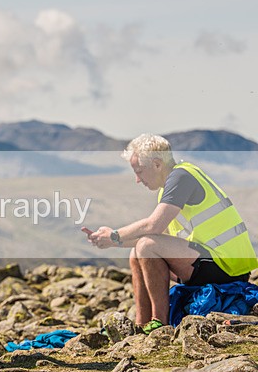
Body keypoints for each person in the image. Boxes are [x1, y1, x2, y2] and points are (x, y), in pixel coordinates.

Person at [89, 133, 257, 333]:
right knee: (137, 252)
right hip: (210, 262)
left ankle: (159, 324)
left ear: (157, 164)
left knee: (146, 246)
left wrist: (115, 234)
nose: (137, 179)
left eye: (139, 171)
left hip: (227, 266)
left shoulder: (181, 177)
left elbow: (153, 227)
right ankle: (142, 325)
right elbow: (160, 237)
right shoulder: (170, 187)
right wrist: (111, 242)